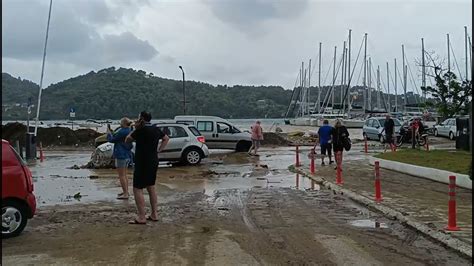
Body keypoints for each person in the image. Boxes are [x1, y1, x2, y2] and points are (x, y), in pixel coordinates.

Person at [125, 111, 169, 224]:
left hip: (142, 161)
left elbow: (127, 140)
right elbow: (166, 138)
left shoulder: (140, 130)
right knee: (151, 186)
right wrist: (159, 150)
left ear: (142, 119)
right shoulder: (155, 129)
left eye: (139, 117)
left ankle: (141, 216)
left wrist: (135, 127)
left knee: (137, 188)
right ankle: (154, 214)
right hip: (153, 160)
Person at [107, 117, 133, 199]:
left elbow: (112, 139)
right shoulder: (129, 130)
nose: (120, 124)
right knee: (124, 175)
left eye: (121, 122)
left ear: (124, 123)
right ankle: (126, 191)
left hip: (121, 154)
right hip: (127, 154)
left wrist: (108, 133)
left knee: (121, 175)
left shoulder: (122, 131)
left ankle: (125, 193)